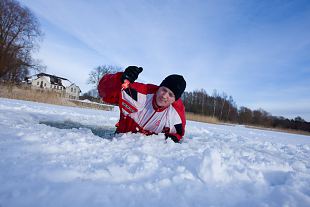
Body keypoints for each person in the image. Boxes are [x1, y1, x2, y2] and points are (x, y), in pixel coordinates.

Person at [98, 66, 186, 143]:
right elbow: (103, 91)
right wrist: (119, 80)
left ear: (175, 100)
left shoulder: (176, 112)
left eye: (170, 95)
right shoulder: (141, 92)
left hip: (142, 150)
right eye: (164, 90)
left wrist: (171, 138)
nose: (164, 96)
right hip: (119, 139)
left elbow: (178, 134)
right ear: (159, 88)